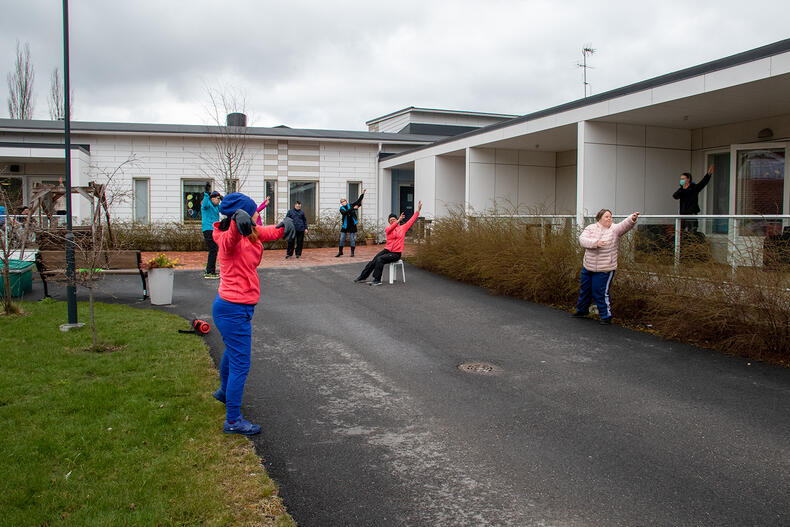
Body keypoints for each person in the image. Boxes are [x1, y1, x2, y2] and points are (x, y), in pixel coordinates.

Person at [211, 192, 292, 435]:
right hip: (231, 309)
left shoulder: (250, 230)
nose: (258, 214)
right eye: (253, 211)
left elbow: (266, 232)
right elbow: (228, 241)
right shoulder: (226, 236)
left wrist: (283, 226)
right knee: (241, 364)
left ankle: (224, 392)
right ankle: (233, 421)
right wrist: (237, 221)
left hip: (239, 308)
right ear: (239, 215)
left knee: (232, 353)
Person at [572, 209, 639, 324]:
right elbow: (582, 240)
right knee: (585, 289)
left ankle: (606, 316)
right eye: (606, 217)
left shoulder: (614, 230)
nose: (609, 219)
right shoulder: (591, 228)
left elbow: (624, 226)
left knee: (600, 292)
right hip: (588, 266)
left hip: (605, 268)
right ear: (600, 218)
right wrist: (595, 243)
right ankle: (582, 311)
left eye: (610, 217)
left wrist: (631, 219)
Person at [354, 201, 422, 286]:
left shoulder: (403, 228)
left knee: (380, 259)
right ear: (389, 222)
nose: (392, 221)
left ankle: (377, 280)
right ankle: (362, 276)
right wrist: (398, 221)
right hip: (387, 250)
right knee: (374, 260)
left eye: (394, 219)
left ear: (397, 219)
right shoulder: (388, 229)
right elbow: (391, 228)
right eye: (391, 220)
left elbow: (411, 220)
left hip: (396, 253)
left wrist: (418, 210)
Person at [673, 164, 713, 232]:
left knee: (691, 231)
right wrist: (682, 189)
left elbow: (703, 183)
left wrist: (708, 174)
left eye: (683, 179)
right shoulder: (681, 189)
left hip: (691, 214)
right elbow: (675, 196)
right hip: (682, 214)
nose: (681, 180)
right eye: (681, 179)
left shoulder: (694, 188)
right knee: (681, 232)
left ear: (688, 179)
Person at [335, 189, 366, 257]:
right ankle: (340, 252)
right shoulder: (341, 208)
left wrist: (362, 194)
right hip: (345, 225)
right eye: (342, 202)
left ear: (346, 201)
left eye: (344, 201)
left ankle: (352, 252)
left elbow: (358, 201)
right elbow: (345, 213)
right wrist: (353, 208)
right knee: (342, 238)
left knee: (352, 239)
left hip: (352, 225)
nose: (343, 203)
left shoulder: (351, 205)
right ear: (341, 203)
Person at [201, 183, 222, 279]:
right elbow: (205, 203)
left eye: (219, 199)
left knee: (214, 250)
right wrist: (206, 193)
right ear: (212, 198)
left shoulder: (217, 207)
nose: (218, 201)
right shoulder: (207, 204)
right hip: (208, 229)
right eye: (217, 199)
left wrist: (223, 199)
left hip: (214, 230)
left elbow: (224, 209)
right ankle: (209, 271)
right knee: (213, 249)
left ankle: (212, 271)